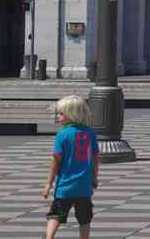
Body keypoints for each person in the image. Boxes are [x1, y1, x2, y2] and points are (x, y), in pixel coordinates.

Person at [42, 95, 98, 239]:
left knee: (55, 215)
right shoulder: (90, 133)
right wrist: (94, 178)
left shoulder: (63, 135)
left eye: (61, 114)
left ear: (71, 115)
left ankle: (49, 237)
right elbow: (94, 158)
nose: (58, 117)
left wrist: (49, 183)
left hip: (65, 187)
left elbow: (56, 160)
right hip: (84, 187)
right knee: (85, 219)